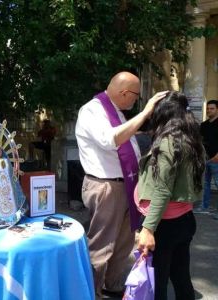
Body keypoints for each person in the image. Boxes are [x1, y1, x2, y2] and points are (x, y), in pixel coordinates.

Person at [75, 71, 167, 298]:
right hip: (106, 187)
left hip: (125, 184)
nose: (136, 101)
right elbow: (111, 140)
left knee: (123, 244)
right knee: (102, 246)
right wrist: (145, 113)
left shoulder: (117, 111)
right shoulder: (91, 111)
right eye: (135, 96)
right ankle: (91, 292)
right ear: (124, 92)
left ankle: (113, 286)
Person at [136, 91, 205, 299]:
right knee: (181, 276)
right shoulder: (191, 139)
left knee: (158, 283)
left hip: (163, 225)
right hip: (183, 220)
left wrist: (148, 228)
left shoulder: (167, 142)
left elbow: (163, 190)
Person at [194, 99, 218, 216]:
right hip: (205, 159)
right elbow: (200, 141)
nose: (209, 110)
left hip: (216, 160)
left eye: (212, 108)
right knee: (205, 184)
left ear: (217, 109)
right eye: (208, 108)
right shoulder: (203, 125)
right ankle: (204, 206)